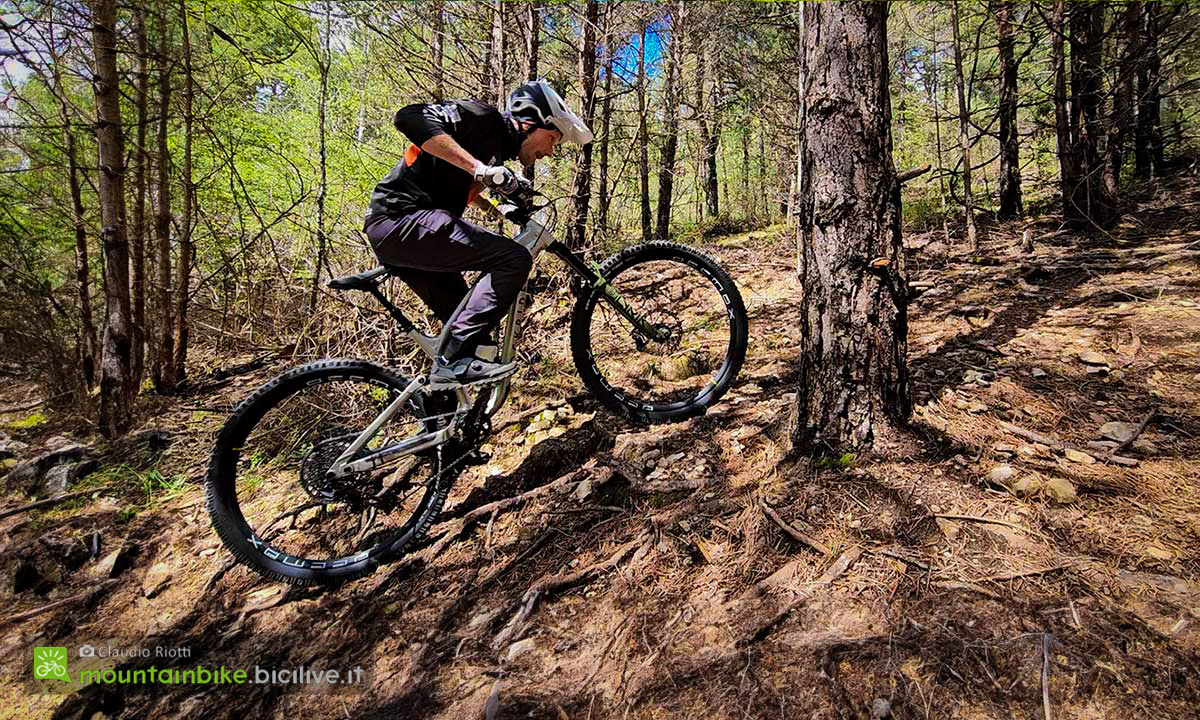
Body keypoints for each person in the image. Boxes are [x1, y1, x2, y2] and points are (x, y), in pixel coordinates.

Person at [363, 80, 593, 386]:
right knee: (513, 258)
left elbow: (455, 183)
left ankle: (445, 406)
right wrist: (479, 169)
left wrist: (496, 205)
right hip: (400, 218)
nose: (550, 151)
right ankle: (450, 364)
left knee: (474, 338)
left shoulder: (495, 150)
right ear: (528, 123)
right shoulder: (483, 118)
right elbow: (408, 117)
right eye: (552, 138)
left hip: (403, 232)